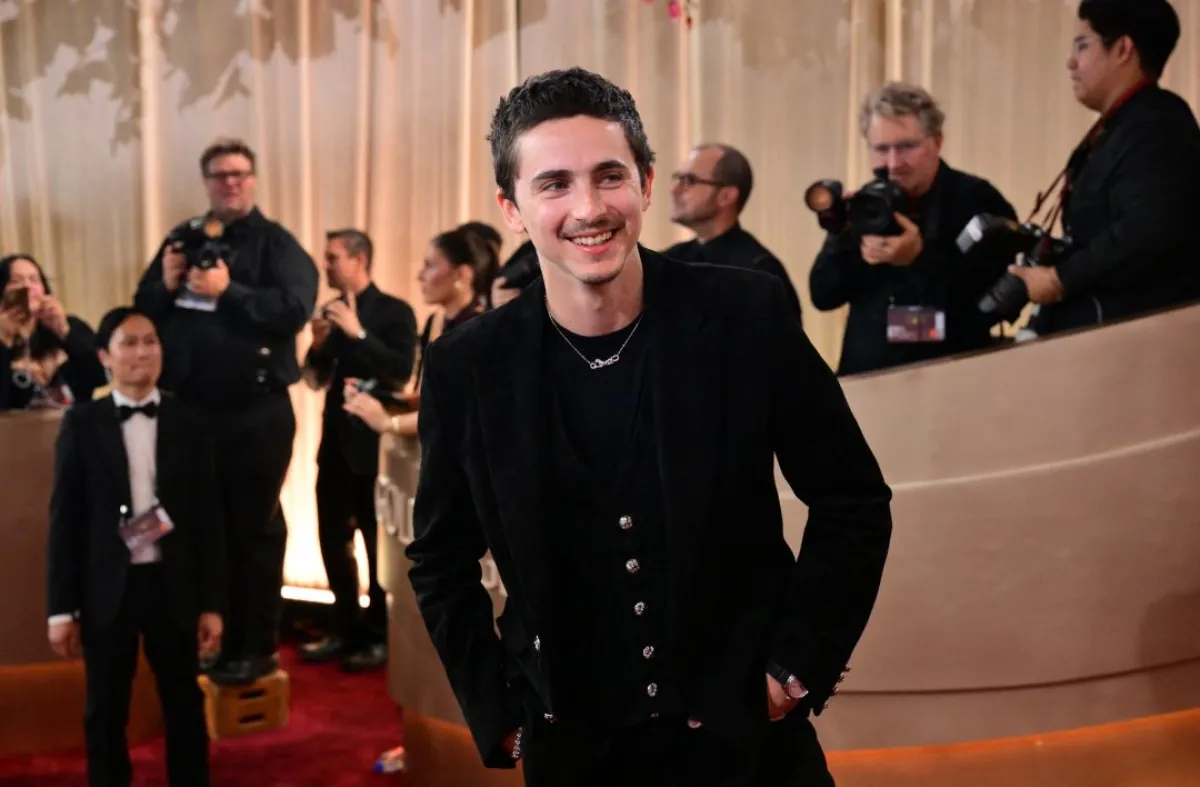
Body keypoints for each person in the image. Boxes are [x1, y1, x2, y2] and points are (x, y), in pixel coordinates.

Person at [405, 67, 893, 786]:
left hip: (751, 747)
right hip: (575, 753)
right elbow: (441, 557)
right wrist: (498, 707)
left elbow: (853, 499)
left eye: (609, 176)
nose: (588, 207)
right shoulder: (466, 366)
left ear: (647, 183)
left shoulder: (745, 314)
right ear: (512, 208)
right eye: (554, 184)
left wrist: (794, 667)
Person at [133, 138, 318, 685]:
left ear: (253, 180)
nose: (229, 183)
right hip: (190, 413)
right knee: (202, 531)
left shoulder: (275, 244)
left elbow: (293, 310)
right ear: (207, 182)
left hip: (255, 414)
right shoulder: (182, 238)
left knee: (253, 530)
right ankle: (218, 637)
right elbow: (142, 314)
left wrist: (228, 290)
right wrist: (164, 286)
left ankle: (257, 646)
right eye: (219, 175)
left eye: (239, 174)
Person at [47, 306, 225, 786]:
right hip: (107, 587)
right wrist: (61, 610)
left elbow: (207, 517)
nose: (142, 352)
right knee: (104, 707)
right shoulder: (82, 424)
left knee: (184, 703)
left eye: (151, 341)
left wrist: (212, 603)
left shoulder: (190, 421)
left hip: (173, 582)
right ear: (106, 355)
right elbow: (65, 522)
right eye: (129, 342)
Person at [1010, 0, 1200, 335]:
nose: (1071, 62)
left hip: (1137, 349)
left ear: (1123, 49)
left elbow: (1147, 231)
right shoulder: (1121, 127)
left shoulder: (1158, 126)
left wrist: (1060, 279)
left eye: (1082, 46)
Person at [809, 83, 1018, 376]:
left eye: (906, 146)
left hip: (952, 379)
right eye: (881, 149)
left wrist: (919, 258)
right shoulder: (867, 203)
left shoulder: (976, 199)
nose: (894, 163)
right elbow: (823, 295)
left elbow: (994, 306)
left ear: (937, 141)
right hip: (869, 381)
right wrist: (840, 235)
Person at [299, 229, 417, 670]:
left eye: (333, 258)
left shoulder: (393, 312)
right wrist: (316, 344)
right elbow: (312, 379)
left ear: (359, 259)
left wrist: (359, 332)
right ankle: (343, 627)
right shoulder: (328, 313)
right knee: (332, 540)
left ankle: (378, 635)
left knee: (375, 545)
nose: (326, 266)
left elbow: (401, 373)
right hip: (333, 449)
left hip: (377, 450)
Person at [664, 144, 803, 325]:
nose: (674, 190)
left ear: (726, 196)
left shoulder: (758, 271)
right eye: (677, 178)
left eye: (689, 180)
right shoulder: (671, 260)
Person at [0, 254, 106, 409]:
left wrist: (64, 331)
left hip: (72, 429)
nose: (27, 287)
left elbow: (101, 376)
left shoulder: (71, 326)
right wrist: (3, 339)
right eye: (16, 281)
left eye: (34, 280)